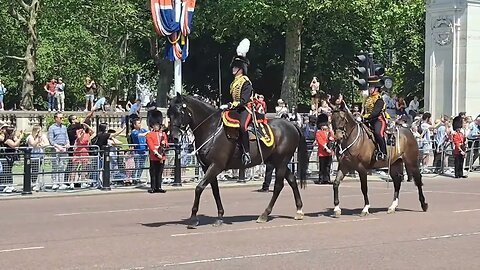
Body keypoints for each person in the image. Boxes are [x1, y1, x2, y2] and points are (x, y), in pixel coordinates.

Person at [220, 38, 254, 165]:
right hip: (235, 109)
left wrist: (229, 105)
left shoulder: (246, 82)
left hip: (246, 109)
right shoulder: (234, 83)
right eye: (234, 66)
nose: (233, 68)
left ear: (241, 68)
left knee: (242, 127)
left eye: (236, 67)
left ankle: (247, 153)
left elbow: (244, 100)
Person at [362, 76, 388, 160]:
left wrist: (365, 117)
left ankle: (383, 152)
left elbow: (375, 113)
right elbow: (364, 110)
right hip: (367, 120)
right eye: (369, 87)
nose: (369, 88)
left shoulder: (379, 100)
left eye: (371, 87)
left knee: (378, 133)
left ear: (376, 89)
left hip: (378, 120)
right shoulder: (367, 99)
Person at [146, 110, 168, 193]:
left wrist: (164, 143)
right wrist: (156, 153)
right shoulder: (149, 134)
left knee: (160, 172)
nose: (157, 126)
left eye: (158, 125)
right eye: (155, 125)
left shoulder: (163, 134)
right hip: (154, 155)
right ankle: (153, 187)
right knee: (153, 172)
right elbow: (151, 145)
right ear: (152, 125)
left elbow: (166, 143)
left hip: (162, 155)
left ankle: (159, 187)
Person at [315, 113, 335, 184]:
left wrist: (332, 138)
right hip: (322, 152)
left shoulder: (330, 132)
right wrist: (326, 148)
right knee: (322, 167)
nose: (326, 126)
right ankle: (321, 179)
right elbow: (320, 142)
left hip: (329, 152)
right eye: (324, 125)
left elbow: (333, 139)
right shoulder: (319, 133)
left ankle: (327, 179)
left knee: (328, 167)